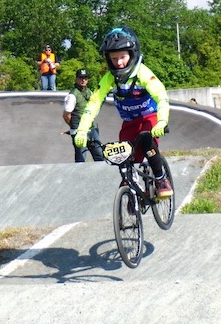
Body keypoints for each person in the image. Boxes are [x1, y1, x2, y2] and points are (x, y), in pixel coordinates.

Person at [74, 26, 173, 198]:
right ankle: (131, 192)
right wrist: (82, 130)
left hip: (149, 117)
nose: (119, 62)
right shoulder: (109, 78)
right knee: (123, 155)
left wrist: (162, 121)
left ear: (132, 54)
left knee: (147, 140)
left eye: (122, 57)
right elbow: (94, 103)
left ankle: (161, 178)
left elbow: (161, 96)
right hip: (129, 122)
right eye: (114, 58)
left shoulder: (143, 73)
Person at [63, 68, 104, 163]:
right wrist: (74, 127)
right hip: (78, 131)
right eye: (81, 78)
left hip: (91, 128)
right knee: (81, 158)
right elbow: (66, 115)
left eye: (85, 78)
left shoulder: (89, 92)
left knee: (100, 155)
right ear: (76, 79)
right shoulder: (72, 95)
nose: (83, 80)